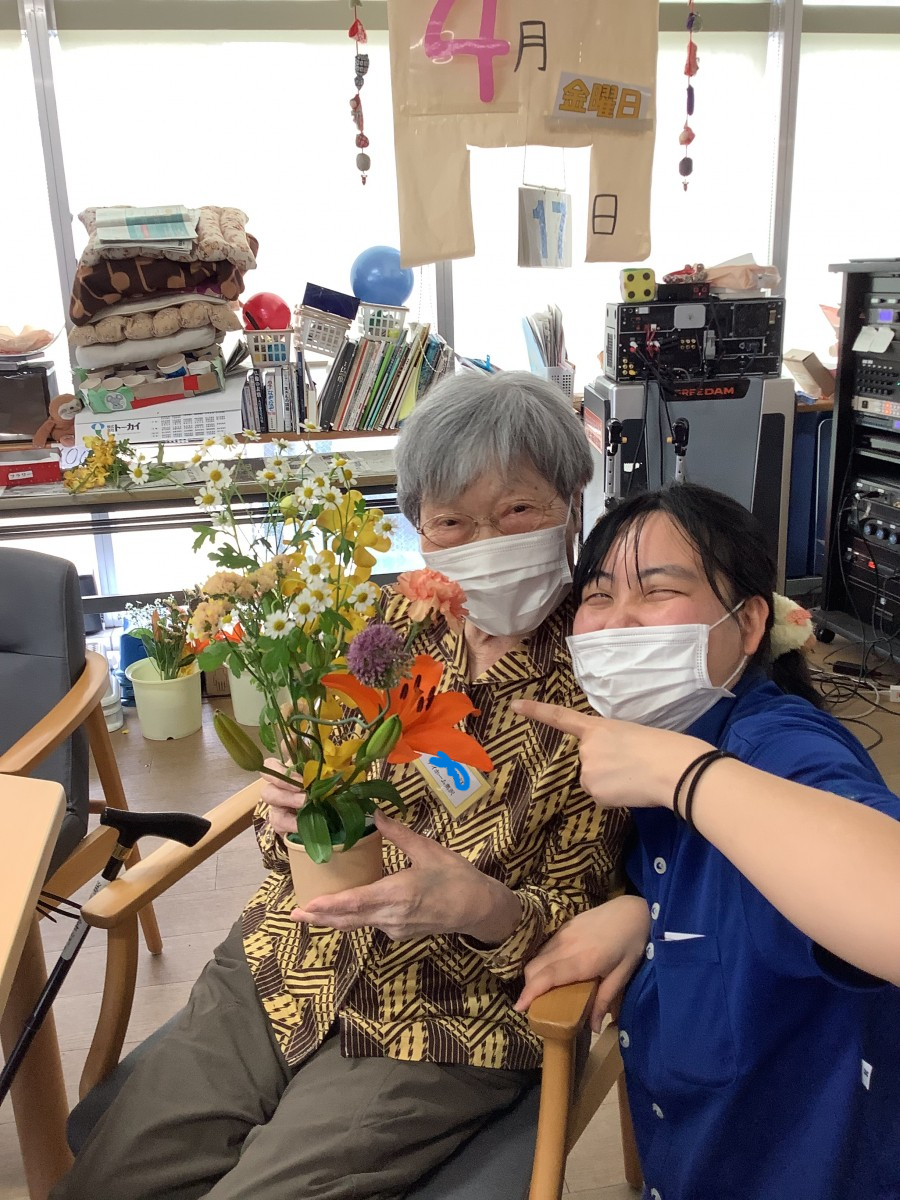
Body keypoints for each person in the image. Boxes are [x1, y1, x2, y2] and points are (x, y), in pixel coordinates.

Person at [52, 372, 627, 1200]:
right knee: (109, 1180)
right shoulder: (393, 629)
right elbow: (303, 804)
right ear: (421, 533)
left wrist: (483, 908)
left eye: (517, 510)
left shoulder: (604, 682)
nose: (484, 540)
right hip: (287, 962)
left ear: (573, 505)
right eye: (452, 521)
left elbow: (594, 912)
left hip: (446, 1018)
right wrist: (288, 809)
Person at [513, 482, 900, 1200]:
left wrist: (684, 774)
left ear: (749, 624)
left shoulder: (772, 746)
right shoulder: (651, 760)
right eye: (598, 596)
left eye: (657, 591)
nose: (618, 622)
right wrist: (643, 912)